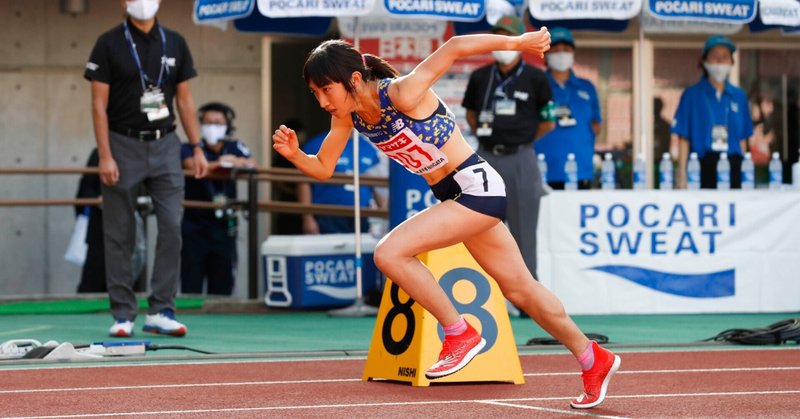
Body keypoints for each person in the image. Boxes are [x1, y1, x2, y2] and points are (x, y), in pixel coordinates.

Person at [272, 30, 620, 409]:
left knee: (390, 253)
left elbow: (454, 47)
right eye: (315, 94)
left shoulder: (401, 93)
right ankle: (592, 358)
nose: (323, 101)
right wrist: (295, 155)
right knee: (521, 290)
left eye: (326, 90)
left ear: (354, 79)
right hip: (458, 196)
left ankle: (459, 332)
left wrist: (520, 43)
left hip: (476, 188)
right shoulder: (350, 117)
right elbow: (323, 168)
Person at [84, 0, 208, 338]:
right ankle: (123, 313)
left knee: (171, 226)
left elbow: (184, 100)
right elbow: (98, 104)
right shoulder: (108, 42)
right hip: (122, 143)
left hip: (166, 142)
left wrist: (195, 147)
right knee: (119, 232)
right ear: (123, 2)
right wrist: (105, 156)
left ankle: (161, 310)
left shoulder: (175, 41)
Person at [461, 15, 554, 279]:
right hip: (486, 156)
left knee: (524, 229)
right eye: (498, 37)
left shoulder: (536, 77)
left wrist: (522, 139)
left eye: (508, 37)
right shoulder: (481, 76)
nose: (502, 44)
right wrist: (483, 131)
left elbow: (548, 121)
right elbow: (470, 112)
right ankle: (487, 294)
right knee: (479, 226)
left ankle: (528, 299)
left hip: (521, 157)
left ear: (518, 41)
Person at [180, 102, 255, 295]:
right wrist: (218, 165)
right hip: (194, 226)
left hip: (223, 227)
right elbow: (190, 165)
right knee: (191, 283)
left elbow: (252, 164)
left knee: (222, 284)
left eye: (218, 122)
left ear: (227, 125)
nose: (212, 126)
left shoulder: (234, 146)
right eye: (208, 122)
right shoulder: (190, 146)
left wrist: (235, 161)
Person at [673, 35, 753, 189]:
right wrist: (682, 174)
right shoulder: (691, 95)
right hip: (701, 165)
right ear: (704, 61)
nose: (720, 62)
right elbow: (683, 137)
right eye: (715, 56)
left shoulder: (739, 96)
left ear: (731, 62)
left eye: (725, 57)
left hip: (734, 164)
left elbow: (743, 138)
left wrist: (745, 172)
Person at [535, 27, 601, 190]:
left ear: (573, 53)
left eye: (566, 49)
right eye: (555, 49)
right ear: (546, 55)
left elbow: (597, 125)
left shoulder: (587, 88)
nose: (561, 53)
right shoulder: (535, 85)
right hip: (541, 171)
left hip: (580, 171)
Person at [298, 132, 385, 234]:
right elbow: (304, 182)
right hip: (327, 213)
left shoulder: (368, 147)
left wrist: (384, 213)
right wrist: (307, 218)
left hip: (362, 215)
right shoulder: (317, 143)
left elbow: (374, 184)